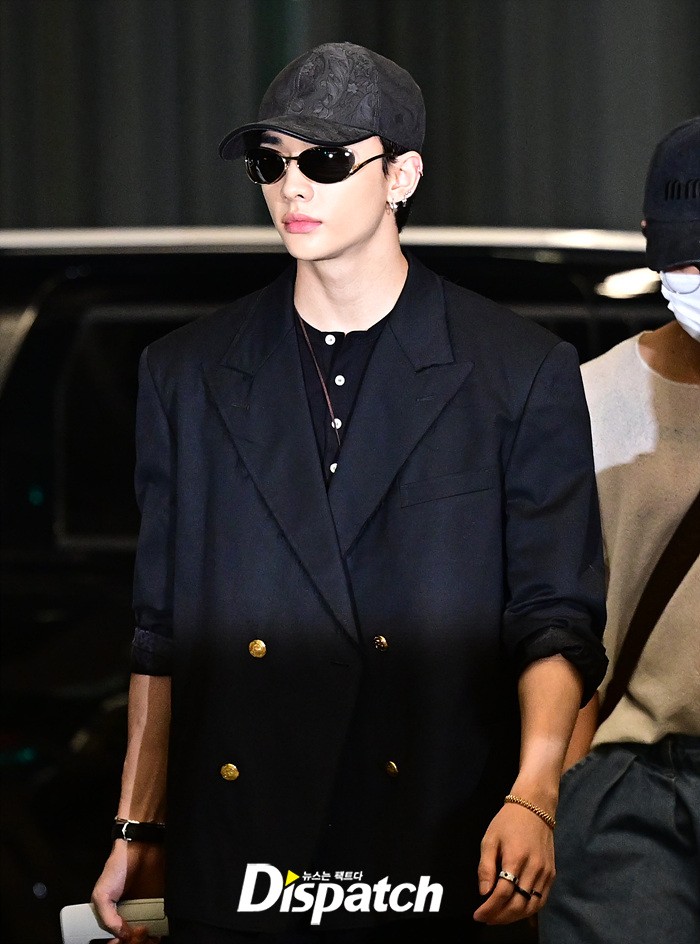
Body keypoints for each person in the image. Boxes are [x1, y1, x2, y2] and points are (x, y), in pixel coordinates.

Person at [91, 42, 607, 944]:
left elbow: (555, 615)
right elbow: (160, 629)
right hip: (244, 847)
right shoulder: (187, 373)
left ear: (401, 176)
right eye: (272, 163)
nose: (293, 186)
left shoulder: (517, 371)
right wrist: (140, 827)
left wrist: (535, 794)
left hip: (434, 836)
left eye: (326, 161)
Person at [539, 117, 700, 944]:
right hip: (634, 777)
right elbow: (559, 625)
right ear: (651, 241)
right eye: (689, 259)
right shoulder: (586, 402)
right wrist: (550, 796)